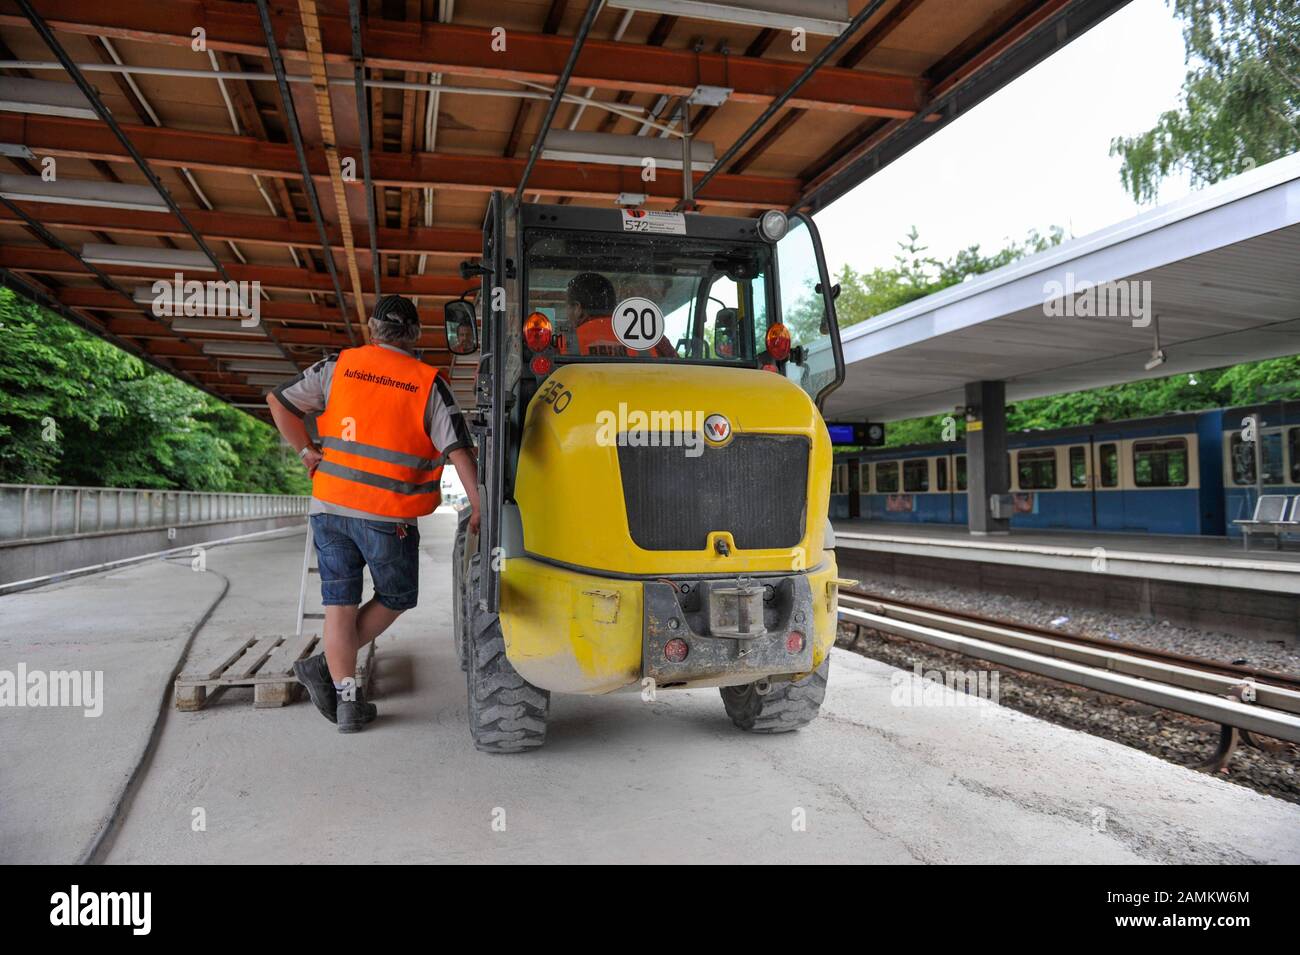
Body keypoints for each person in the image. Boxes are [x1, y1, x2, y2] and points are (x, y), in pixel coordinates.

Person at [266, 294, 480, 734]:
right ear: (416, 334)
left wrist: (306, 450)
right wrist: (478, 506)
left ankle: (347, 704)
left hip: (329, 508)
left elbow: (280, 402)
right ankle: (325, 667)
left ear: (371, 328)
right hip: (388, 516)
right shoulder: (426, 382)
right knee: (397, 596)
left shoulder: (337, 366)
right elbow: (458, 450)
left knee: (338, 607)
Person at [565, 272, 675, 358]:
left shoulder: (564, 344)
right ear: (613, 304)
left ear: (577, 308)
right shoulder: (652, 340)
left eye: (568, 307)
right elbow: (680, 372)